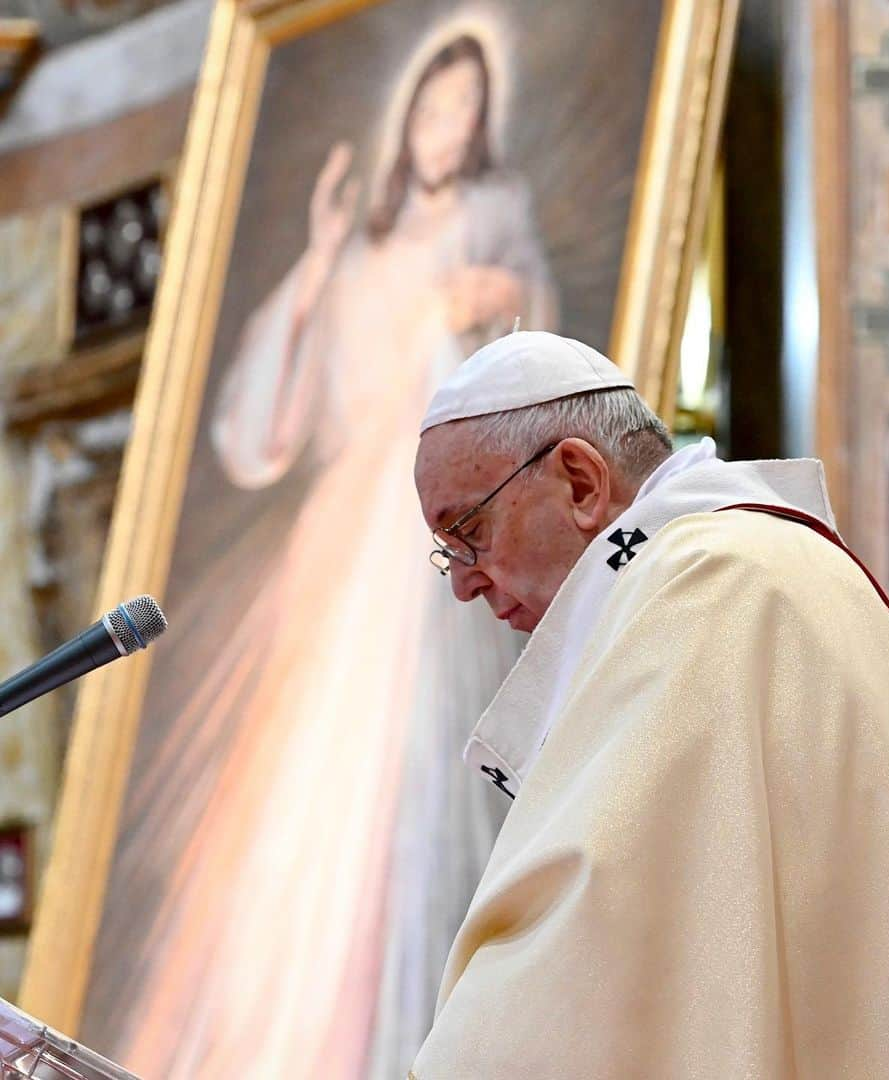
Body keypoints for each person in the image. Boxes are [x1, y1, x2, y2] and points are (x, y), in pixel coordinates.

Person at [408, 330, 889, 1078]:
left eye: (468, 533)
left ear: (580, 482)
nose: (463, 582)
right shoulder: (758, 561)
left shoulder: (704, 585)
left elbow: (587, 944)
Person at [108, 33, 556, 1079]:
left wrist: (490, 306)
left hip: (417, 559)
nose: (441, 129)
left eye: (460, 110)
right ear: (406, 118)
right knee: (286, 797)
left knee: (390, 797)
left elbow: (544, 392)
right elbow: (260, 436)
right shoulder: (355, 254)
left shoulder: (496, 233)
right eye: (429, 108)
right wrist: (314, 261)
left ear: (478, 124)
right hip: (329, 558)